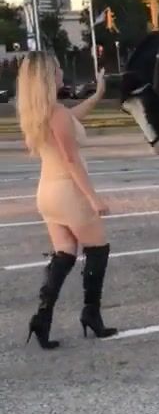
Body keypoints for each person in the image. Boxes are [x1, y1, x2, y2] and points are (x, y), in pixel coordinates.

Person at [16, 52, 117, 349]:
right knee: (97, 249)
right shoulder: (57, 113)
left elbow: (74, 117)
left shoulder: (39, 113)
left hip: (47, 194)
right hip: (68, 192)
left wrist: (98, 94)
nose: (62, 72)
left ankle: (42, 318)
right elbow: (71, 160)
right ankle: (91, 313)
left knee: (65, 255)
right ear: (49, 77)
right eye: (58, 69)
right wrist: (93, 198)